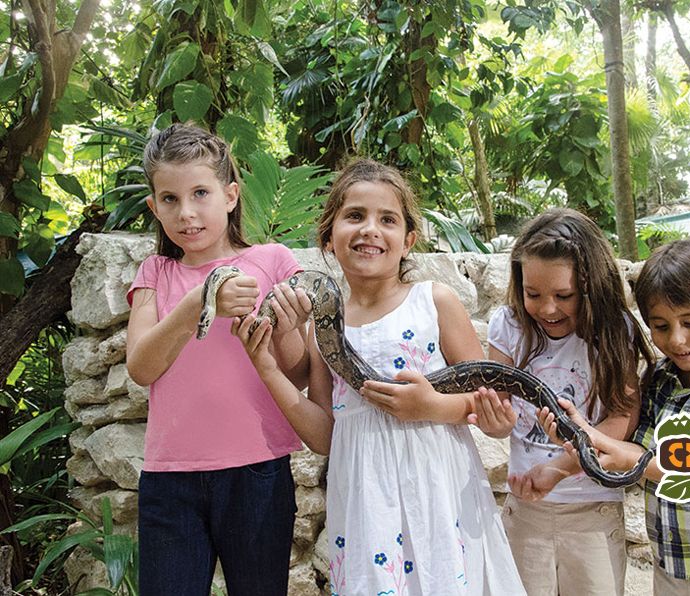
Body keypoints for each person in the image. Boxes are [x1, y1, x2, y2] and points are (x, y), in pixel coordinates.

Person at [262, 157, 524, 595]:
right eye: (354, 216)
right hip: (367, 499)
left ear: (408, 240)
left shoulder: (434, 302)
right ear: (329, 238)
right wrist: (270, 368)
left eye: (387, 219)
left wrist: (431, 406)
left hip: (439, 491)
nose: (370, 229)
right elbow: (326, 437)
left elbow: (485, 400)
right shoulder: (324, 329)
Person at [126, 123, 312, 596]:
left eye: (200, 193)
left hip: (258, 471)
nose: (186, 213)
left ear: (229, 196)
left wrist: (286, 326)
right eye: (169, 199)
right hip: (170, 478)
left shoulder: (271, 260)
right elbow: (141, 367)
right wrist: (197, 304)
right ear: (154, 206)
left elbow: (302, 372)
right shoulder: (156, 271)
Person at [541, 237, 690, 595]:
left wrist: (622, 453)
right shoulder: (657, 381)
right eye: (661, 326)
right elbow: (631, 457)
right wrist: (580, 439)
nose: (677, 340)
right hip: (673, 569)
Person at [468, 208, 655, 596]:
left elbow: (623, 416)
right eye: (533, 294)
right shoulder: (509, 325)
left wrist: (561, 467)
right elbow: (497, 405)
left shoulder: (613, 330)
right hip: (527, 512)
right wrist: (494, 422)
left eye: (564, 295)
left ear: (591, 286)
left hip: (593, 512)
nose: (548, 308)